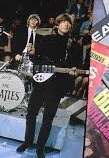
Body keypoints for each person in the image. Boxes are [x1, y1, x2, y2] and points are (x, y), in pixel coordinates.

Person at [16, 13, 80, 157]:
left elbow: (77, 65)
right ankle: (28, 141)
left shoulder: (74, 45)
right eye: (63, 21)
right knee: (31, 113)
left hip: (57, 85)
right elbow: (35, 57)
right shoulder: (47, 39)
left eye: (68, 22)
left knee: (48, 118)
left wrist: (74, 71)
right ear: (57, 24)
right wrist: (32, 53)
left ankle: (40, 148)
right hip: (41, 82)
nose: (66, 24)